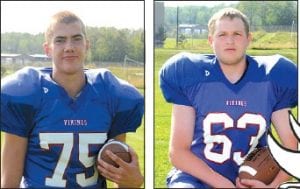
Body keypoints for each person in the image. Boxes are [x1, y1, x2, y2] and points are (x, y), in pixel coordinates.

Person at [1, 11, 144, 188]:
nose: (69, 47)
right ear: (47, 49)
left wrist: (133, 181)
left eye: (76, 38)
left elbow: (118, 168)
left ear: (87, 45)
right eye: (60, 40)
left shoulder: (111, 95)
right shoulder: (27, 94)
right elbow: (9, 182)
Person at [159, 8, 298, 188]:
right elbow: (178, 152)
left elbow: (291, 149)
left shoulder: (273, 76)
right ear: (211, 40)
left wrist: (272, 186)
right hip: (196, 177)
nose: (230, 41)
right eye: (222, 34)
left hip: (252, 179)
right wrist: (224, 184)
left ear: (249, 39)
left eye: (237, 34)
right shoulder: (190, 75)